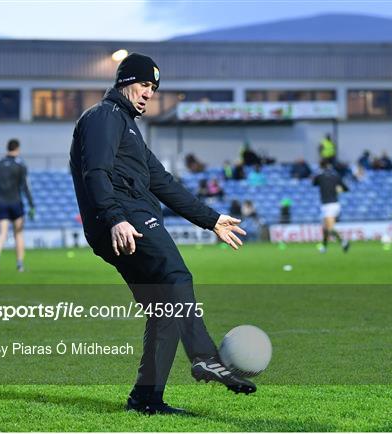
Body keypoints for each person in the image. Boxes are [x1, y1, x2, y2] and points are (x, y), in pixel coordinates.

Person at [69, 53, 256, 415]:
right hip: (127, 219)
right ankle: (205, 357)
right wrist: (115, 218)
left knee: (164, 308)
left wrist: (211, 219)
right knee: (176, 276)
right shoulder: (103, 117)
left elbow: (162, 182)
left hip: (125, 219)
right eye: (143, 85)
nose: (148, 94)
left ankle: (146, 400)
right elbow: (95, 172)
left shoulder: (127, 126)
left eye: (153, 89)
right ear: (124, 83)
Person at [0, 139, 35, 273]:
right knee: (18, 234)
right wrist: (32, 205)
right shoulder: (20, 165)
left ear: (7, 148)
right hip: (16, 202)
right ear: (17, 148)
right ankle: (20, 265)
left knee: (2, 234)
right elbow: (26, 187)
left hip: (1, 202)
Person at [313, 160, 350, 253]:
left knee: (329, 227)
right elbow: (346, 188)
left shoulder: (319, 176)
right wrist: (338, 189)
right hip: (332, 203)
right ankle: (324, 247)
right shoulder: (335, 176)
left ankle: (343, 241)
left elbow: (313, 183)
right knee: (325, 228)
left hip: (329, 204)